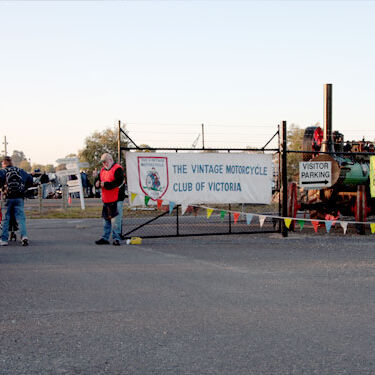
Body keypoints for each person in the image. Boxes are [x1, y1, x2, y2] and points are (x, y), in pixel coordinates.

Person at [0, 156, 33, 246]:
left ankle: (4, 239)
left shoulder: (3, 171)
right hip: (19, 197)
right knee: (21, 217)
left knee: (6, 218)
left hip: (7, 197)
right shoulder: (20, 170)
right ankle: (24, 236)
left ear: (4, 163)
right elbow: (30, 179)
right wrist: (24, 188)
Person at [95, 153, 124, 246]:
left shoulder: (118, 169)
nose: (104, 164)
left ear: (111, 160)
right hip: (106, 198)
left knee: (116, 220)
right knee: (106, 220)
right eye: (103, 162)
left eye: (105, 162)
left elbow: (118, 182)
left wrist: (105, 185)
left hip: (116, 198)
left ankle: (116, 238)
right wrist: (96, 183)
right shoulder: (103, 170)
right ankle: (105, 237)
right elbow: (98, 181)